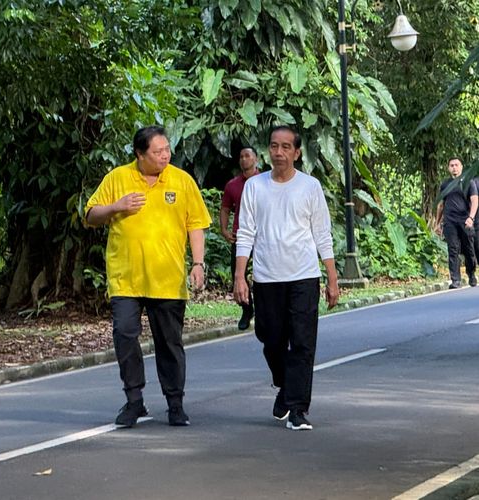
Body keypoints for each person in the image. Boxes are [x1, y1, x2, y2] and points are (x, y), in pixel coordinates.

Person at [85, 125, 211, 428]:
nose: (165, 155)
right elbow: (90, 216)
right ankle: (134, 401)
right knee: (125, 336)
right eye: (158, 151)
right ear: (140, 154)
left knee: (169, 343)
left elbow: (196, 224)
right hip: (125, 278)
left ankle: (175, 403)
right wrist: (116, 207)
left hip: (167, 279)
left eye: (167, 149)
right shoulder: (117, 178)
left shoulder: (182, 181)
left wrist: (198, 263)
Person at [233, 125, 339, 431]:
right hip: (267, 278)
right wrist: (240, 276)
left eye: (285, 147)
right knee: (271, 339)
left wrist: (332, 279)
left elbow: (322, 235)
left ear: (296, 152)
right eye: (273, 146)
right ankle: (284, 384)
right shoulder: (255, 187)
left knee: (303, 344)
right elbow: (245, 234)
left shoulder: (310, 187)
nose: (278, 153)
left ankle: (297, 408)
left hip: (304, 276)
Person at [220, 146, 260, 330]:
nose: (244, 159)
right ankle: (246, 308)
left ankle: (264, 309)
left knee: (262, 273)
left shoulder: (266, 181)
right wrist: (224, 229)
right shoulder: (232, 185)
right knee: (238, 273)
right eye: (241, 156)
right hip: (241, 235)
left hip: (263, 236)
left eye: (248, 156)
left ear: (256, 159)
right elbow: (226, 208)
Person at [435, 157, 477, 288]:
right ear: (448, 168)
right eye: (451, 165)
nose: (454, 167)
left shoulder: (468, 182)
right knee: (453, 249)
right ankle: (455, 280)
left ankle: (471, 274)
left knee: (469, 250)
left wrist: (471, 218)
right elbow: (441, 205)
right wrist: (437, 223)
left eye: (456, 165)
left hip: (465, 221)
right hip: (450, 222)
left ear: (461, 167)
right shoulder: (445, 185)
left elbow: (475, 201)